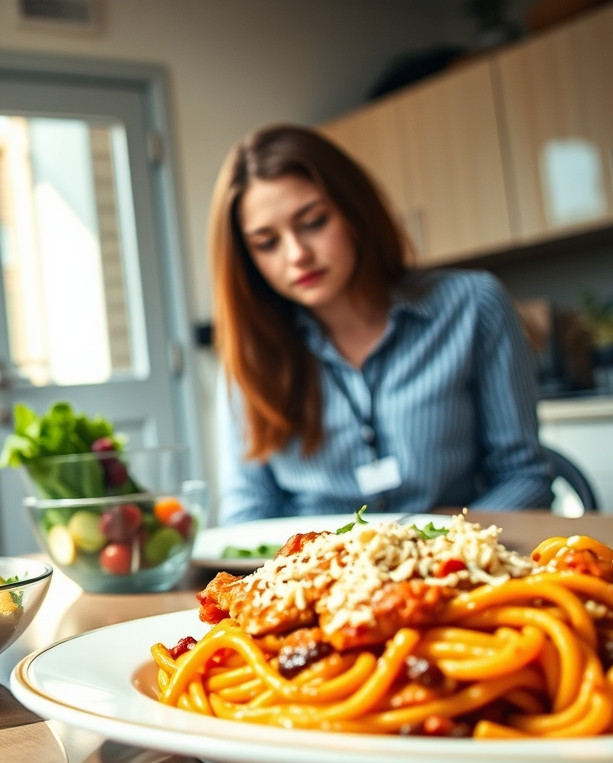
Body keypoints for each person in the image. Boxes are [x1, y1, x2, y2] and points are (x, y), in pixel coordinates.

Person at [209, 124, 551, 524]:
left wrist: (424, 548)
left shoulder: (474, 305)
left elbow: (524, 477)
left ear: (355, 211)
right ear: (248, 260)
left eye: (314, 222)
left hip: (447, 572)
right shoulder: (249, 355)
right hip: (311, 580)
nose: (297, 254)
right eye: (267, 243)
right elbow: (247, 514)